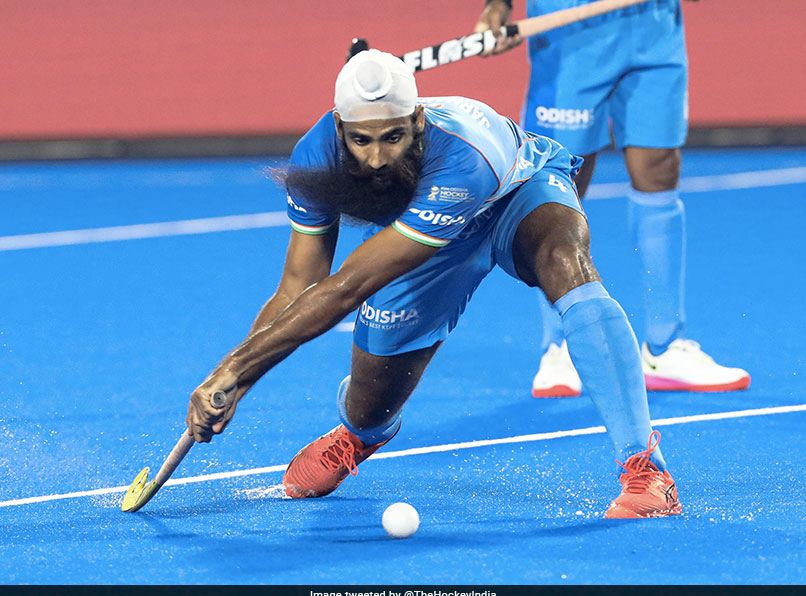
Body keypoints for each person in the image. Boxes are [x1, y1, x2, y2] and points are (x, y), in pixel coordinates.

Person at [186, 49, 681, 518]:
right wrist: (235, 382)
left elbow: (349, 287)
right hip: (423, 232)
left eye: (393, 138)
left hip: (517, 194)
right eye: (361, 141)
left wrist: (233, 370)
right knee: (369, 406)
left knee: (565, 260)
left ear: (418, 121)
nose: (377, 159)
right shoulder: (315, 156)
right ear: (339, 127)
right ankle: (360, 435)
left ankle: (645, 469)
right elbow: (298, 286)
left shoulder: (463, 158)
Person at [475, 0, 750, 397]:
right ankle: (562, 347)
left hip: (654, 27)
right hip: (572, 30)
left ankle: (664, 347)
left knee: (659, 169)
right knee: (559, 181)